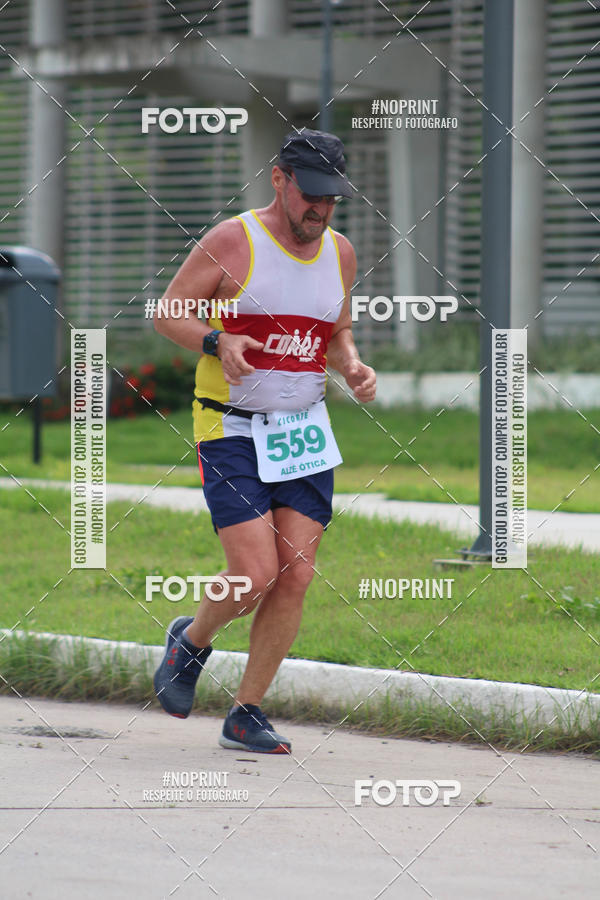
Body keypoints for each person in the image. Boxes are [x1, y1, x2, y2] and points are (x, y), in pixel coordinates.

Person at [153, 128, 376, 754]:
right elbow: (168, 310)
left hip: (303, 430)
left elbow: (336, 333)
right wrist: (215, 340)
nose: (321, 210)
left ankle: (245, 712)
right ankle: (190, 642)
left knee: (297, 576)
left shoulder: (341, 253)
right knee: (253, 574)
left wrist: (352, 365)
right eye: (311, 195)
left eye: (332, 198)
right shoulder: (234, 240)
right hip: (231, 427)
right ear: (279, 179)